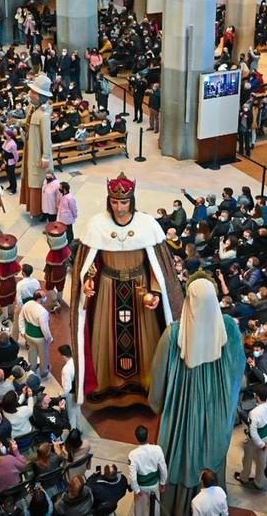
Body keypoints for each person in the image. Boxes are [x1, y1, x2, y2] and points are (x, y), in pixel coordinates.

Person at [68, 173, 180, 412]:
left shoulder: (147, 226)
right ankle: (107, 385)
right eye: (115, 202)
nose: (119, 207)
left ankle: (145, 385)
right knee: (105, 339)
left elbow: (157, 267)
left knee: (146, 341)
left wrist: (156, 292)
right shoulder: (97, 225)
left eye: (124, 202)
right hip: (108, 290)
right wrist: (88, 280)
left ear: (132, 201)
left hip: (140, 292)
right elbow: (91, 261)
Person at [149, 268, 246, 512]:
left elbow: (159, 375)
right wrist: (227, 402)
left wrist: (158, 403)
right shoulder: (229, 329)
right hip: (215, 411)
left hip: (182, 413)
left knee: (180, 454)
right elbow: (237, 370)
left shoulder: (173, 334)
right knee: (210, 452)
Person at [21, 74, 54, 218]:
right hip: (29, 147)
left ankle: (41, 210)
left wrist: (46, 156)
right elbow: (26, 122)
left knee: (38, 180)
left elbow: (46, 138)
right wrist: (16, 122)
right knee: (29, 174)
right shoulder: (32, 109)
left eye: (34, 92)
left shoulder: (44, 115)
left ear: (41, 96)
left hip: (38, 152)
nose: (30, 94)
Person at [237, 384, 267, 489]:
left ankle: (244, 477)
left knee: (247, 459)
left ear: (256, 396)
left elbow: (253, 433)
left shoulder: (253, 413)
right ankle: (259, 483)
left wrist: (261, 444)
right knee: (262, 462)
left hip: (255, 441)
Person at [127, 425, 168, 516]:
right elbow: (163, 468)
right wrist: (162, 482)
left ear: (136, 438)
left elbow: (132, 477)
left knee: (140, 509)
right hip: (154, 484)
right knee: (155, 507)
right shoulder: (157, 449)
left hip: (142, 487)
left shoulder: (133, 455)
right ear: (148, 435)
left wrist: (136, 490)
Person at [20, 289, 54, 377]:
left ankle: (32, 369)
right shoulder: (43, 312)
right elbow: (45, 329)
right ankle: (44, 371)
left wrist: (22, 331)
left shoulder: (27, 304)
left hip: (28, 334)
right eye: (44, 296)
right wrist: (49, 338)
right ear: (40, 299)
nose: (45, 298)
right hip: (40, 337)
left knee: (32, 353)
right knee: (44, 355)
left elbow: (21, 317)